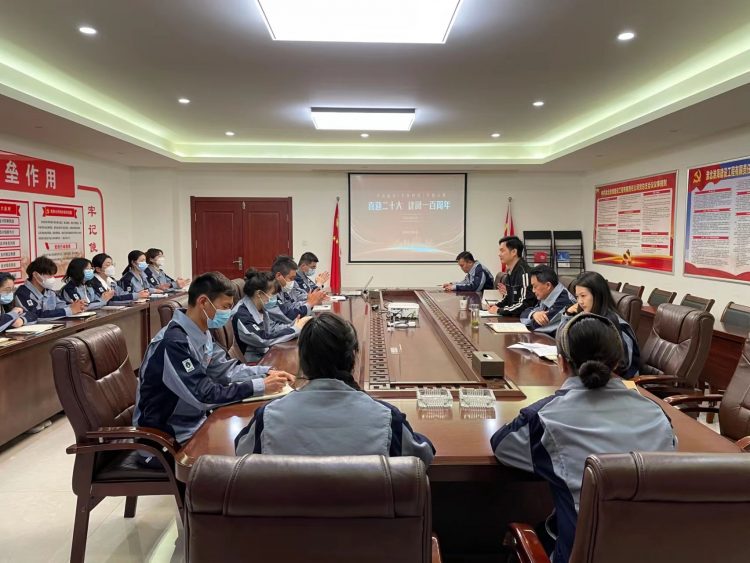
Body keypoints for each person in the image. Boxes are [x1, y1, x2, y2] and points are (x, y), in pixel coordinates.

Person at [491, 313, 676, 563]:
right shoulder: (657, 415)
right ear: (617, 363)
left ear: (561, 363)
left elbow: (502, 445)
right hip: (654, 551)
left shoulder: (546, 418)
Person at [235, 312, 435, 466]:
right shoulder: (387, 418)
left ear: (303, 360)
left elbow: (241, 452)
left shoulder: (268, 415)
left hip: (290, 509)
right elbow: (422, 457)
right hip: (363, 510)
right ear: (352, 358)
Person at [133, 272, 294, 446]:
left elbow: (227, 371)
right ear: (203, 302)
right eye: (225, 307)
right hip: (165, 437)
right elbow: (203, 395)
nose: (228, 313)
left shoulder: (202, 332)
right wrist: (259, 386)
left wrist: (267, 372)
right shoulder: (173, 343)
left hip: (197, 422)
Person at [562, 271, 640, 378]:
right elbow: (564, 342)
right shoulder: (586, 316)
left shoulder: (616, 324)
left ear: (597, 296)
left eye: (583, 296)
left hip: (616, 381)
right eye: (577, 296)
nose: (579, 301)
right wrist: (567, 315)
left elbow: (623, 365)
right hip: (591, 376)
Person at [232, 269, 310, 363]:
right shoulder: (241, 314)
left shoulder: (261, 307)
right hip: (252, 361)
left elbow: (272, 330)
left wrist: (295, 325)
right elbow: (262, 339)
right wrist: (295, 330)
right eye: (273, 294)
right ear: (259, 294)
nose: (275, 298)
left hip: (265, 353)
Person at [16, 255, 86, 319]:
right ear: (35, 275)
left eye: (53, 275)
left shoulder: (50, 292)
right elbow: (36, 315)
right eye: (49, 275)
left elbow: (62, 305)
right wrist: (69, 310)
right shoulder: (23, 293)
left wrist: (76, 306)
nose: (52, 278)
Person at [487, 236, 536, 316]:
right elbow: (508, 298)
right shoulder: (510, 271)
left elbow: (525, 305)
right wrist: (497, 306)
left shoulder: (524, 273)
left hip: (523, 319)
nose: (499, 254)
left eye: (502, 251)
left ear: (514, 252)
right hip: (514, 317)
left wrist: (499, 310)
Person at [519, 265, 575, 335]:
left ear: (548, 285)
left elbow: (536, 326)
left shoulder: (564, 301)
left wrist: (531, 317)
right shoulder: (547, 294)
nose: (533, 290)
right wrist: (534, 314)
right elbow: (524, 313)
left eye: (535, 286)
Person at [271, 256, 326, 321]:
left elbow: (293, 305)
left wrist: (310, 301)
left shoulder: (284, 287)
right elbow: (287, 316)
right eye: (291, 278)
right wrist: (309, 303)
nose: (293, 281)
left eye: (293, 278)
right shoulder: (270, 293)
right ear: (278, 276)